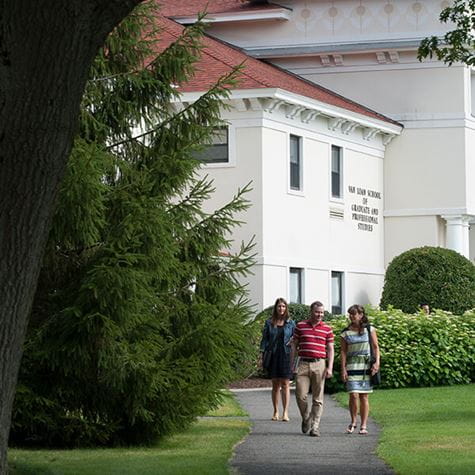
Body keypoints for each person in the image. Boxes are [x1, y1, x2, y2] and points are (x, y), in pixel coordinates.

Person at [292, 301, 334, 437]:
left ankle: (315, 426)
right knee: (300, 395)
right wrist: (293, 364)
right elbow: (294, 346)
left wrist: (330, 367)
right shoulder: (300, 326)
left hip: (319, 364)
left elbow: (330, 349)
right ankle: (306, 417)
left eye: (321, 312)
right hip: (303, 364)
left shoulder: (327, 329)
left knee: (318, 398)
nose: (320, 315)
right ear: (311, 311)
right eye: (317, 312)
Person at [340, 304, 380, 435]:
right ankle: (353, 421)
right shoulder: (345, 332)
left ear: (361, 315)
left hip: (365, 366)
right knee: (353, 394)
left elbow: (375, 347)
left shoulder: (370, 329)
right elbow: (344, 352)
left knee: (364, 396)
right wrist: (343, 369)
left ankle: (363, 425)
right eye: (350, 314)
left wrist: (377, 363)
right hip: (352, 366)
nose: (352, 316)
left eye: (354, 314)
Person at [259, 298, 296, 421]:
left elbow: (296, 337)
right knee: (275, 384)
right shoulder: (269, 322)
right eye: (279, 306)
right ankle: (275, 411)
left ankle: (285, 412)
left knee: (285, 384)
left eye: (283, 306)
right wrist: (261, 355)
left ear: (286, 308)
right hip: (273, 355)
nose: (281, 308)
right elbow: (264, 340)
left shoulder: (291, 323)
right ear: (276, 308)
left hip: (286, 355)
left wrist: (293, 341)